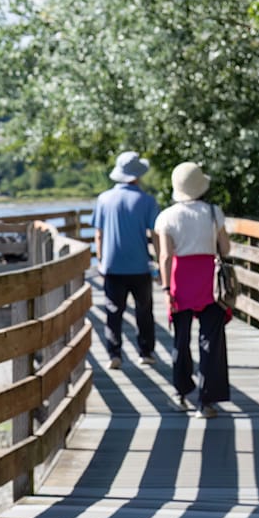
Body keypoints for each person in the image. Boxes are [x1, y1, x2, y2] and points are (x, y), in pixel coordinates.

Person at [155, 161, 232, 417]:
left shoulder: (166, 216)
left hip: (181, 281)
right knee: (210, 340)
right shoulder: (213, 212)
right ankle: (206, 402)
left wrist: (166, 289)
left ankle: (180, 393)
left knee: (181, 340)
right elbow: (226, 248)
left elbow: (165, 256)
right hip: (209, 281)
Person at [92, 150, 160, 369]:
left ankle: (114, 354)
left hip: (112, 266)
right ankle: (146, 352)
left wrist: (101, 260)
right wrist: (159, 264)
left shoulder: (104, 199)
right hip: (140, 265)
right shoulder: (147, 201)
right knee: (144, 310)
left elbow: (99, 234)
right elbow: (156, 235)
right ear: (137, 175)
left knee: (113, 311)